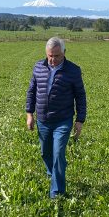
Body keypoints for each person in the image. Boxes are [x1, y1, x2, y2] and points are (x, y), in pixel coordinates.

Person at [26, 37, 87, 199]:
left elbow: (80, 96)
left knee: (58, 152)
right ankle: (52, 172)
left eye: (57, 56)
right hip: (43, 119)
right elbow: (31, 91)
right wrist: (29, 114)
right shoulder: (38, 67)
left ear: (64, 53)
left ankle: (57, 193)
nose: (53, 60)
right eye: (50, 56)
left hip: (63, 120)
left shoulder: (73, 70)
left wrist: (80, 120)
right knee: (46, 152)